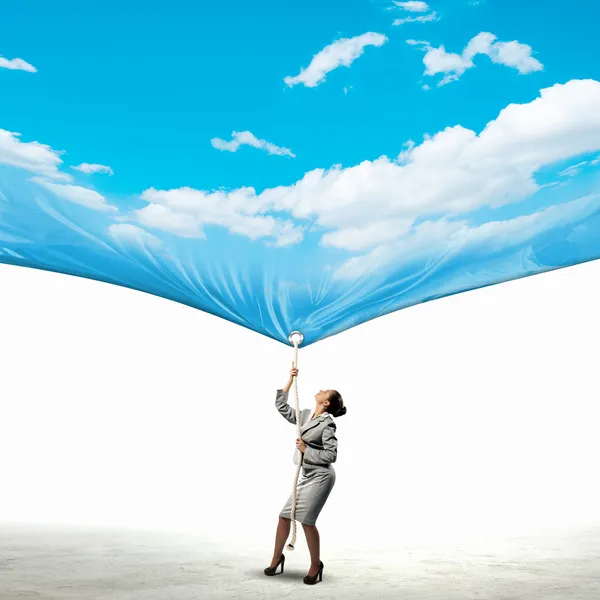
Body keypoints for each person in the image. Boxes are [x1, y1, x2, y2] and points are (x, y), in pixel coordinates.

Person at [264, 363, 347, 585]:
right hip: (308, 476)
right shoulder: (307, 414)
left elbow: (331, 455)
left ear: (326, 402)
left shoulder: (327, 425)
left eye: (325, 391)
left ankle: (315, 565)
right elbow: (282, 407)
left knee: (307, 521)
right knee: (284, 516)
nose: (321, 389)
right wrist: (290, 380)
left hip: (321, 477)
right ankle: (276, 559)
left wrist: (305, 450)